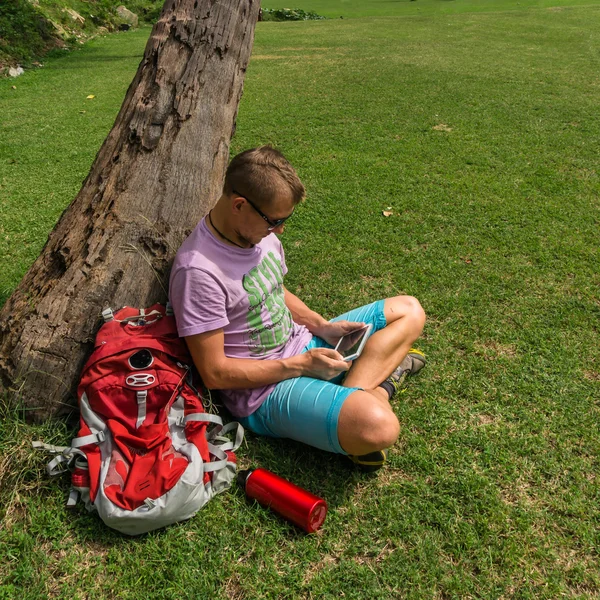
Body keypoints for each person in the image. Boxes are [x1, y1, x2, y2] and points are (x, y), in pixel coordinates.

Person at [169, 146, 426, 470]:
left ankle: (352, 395)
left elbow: (274, 288)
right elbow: (215, 373)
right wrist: (301, 366)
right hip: (264, 391)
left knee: (409, 309)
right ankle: (381, 386)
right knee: (381, 427)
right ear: (239, 205)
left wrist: (321, 326)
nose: (280, 231)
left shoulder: (256, 235)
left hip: (304, 346)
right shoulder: (198, 272)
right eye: (274, 221)